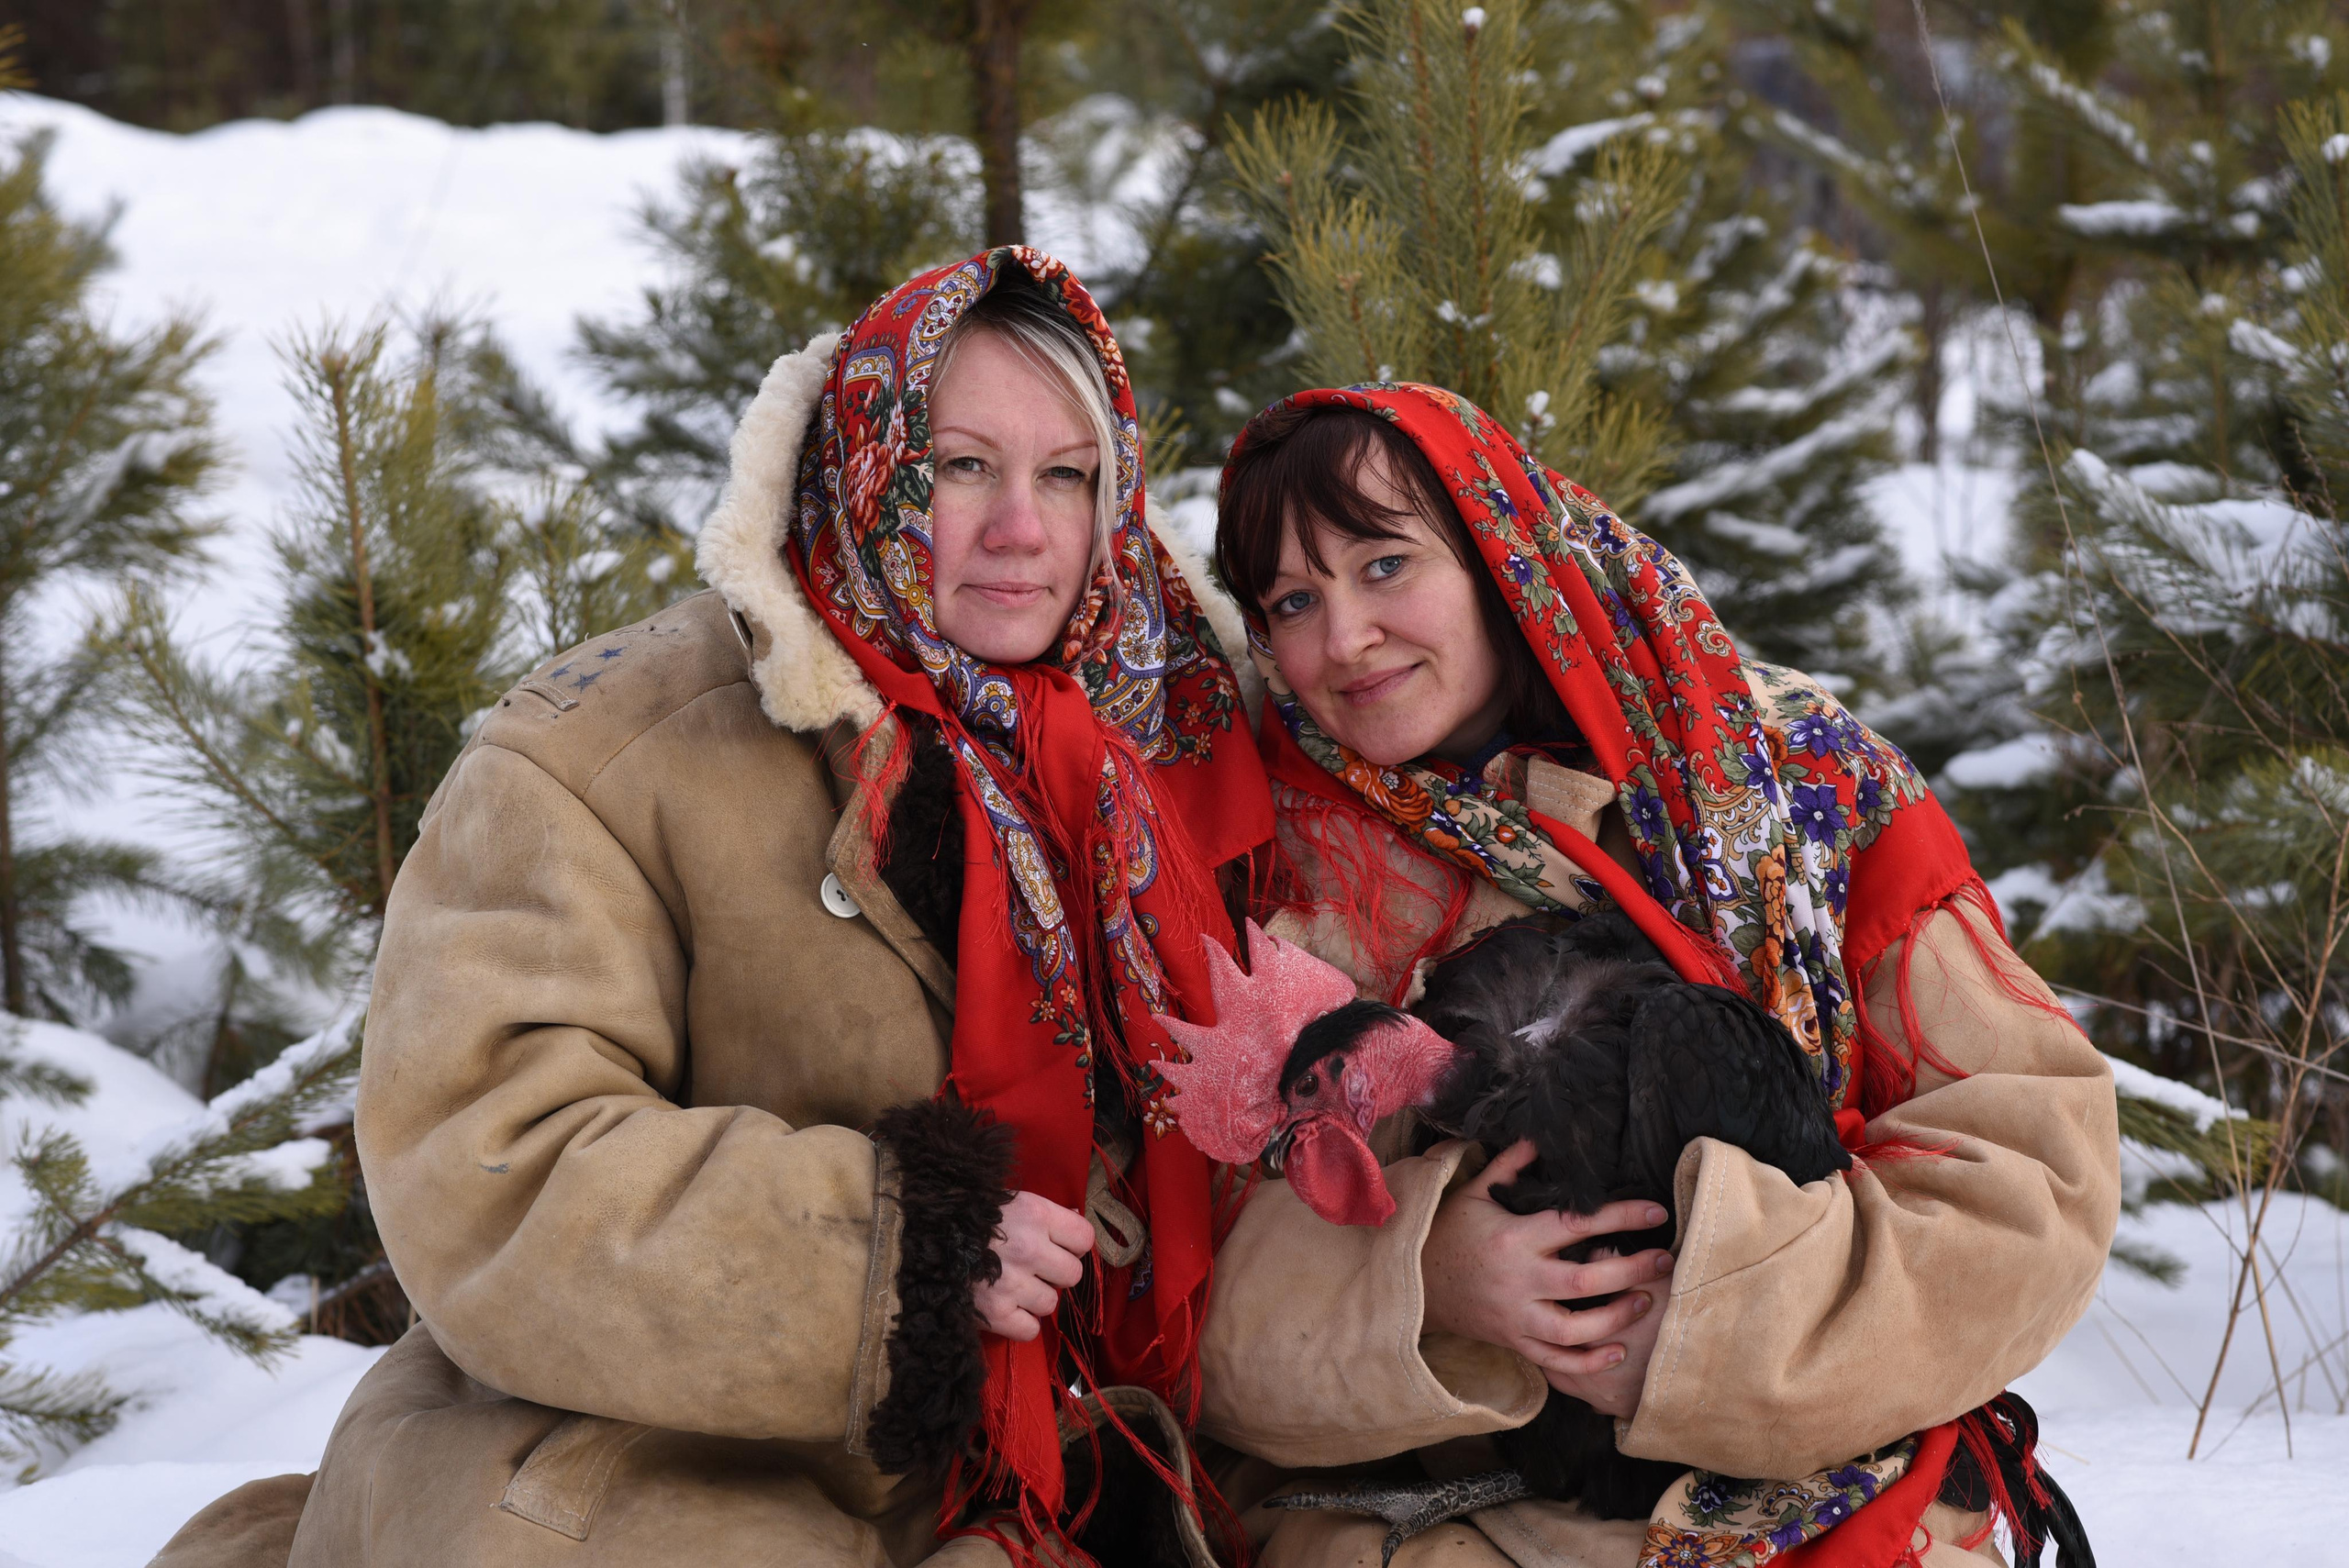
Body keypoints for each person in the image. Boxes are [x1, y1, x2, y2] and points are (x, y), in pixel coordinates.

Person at [150, 249, 1273, 1568]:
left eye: (1066, 475)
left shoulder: (1187, 742)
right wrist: (896, 1256)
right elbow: (486, 1156)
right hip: (655, 1458)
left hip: (1056, 1474)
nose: (1022, 527)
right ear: (867, 460)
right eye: (962, 466)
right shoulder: (599, 754)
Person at [1189, 386, 2121, 1568]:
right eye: (1292, 600)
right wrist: (1426, 1287)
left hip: (1831, 1462)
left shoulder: (1780, 776)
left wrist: (1715, 1333)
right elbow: (1178, 1301)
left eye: (1384, 565)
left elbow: (2035, 1176)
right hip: (1440, 1507)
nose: (1343, 639)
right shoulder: (1253, 857)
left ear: (1499, 556)